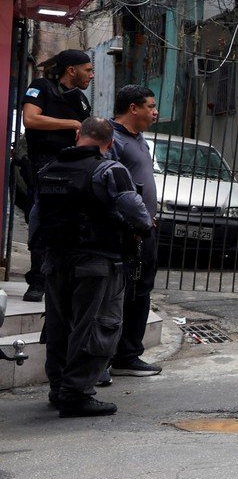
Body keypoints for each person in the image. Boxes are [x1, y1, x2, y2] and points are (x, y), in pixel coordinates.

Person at [34, 117, 152, 417]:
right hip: (96, 262)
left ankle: (59, 388)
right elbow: (135, 209)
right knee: (95, 325)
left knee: (60, 327)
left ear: (78, 136)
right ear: (110, 143)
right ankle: (76, 394)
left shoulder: (49, 170)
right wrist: (143, 226)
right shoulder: (109, 170)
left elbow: (35, 217)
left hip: (56, 260)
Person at [20, 50, 95, 302]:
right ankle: (38, 281)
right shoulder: (41, 87)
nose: (91, 75)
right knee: (41, 219)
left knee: (71, 222)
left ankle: (62, 277)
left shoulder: (81, 101)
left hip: (71, 168)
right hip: (43, 165)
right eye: (88, 69)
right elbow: (30, 119)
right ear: (71, 70)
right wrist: (72, 124)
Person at [109, 85, 163, 378]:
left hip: (145, 229)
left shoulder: (139, 139)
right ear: (133, 108)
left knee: (141, 291)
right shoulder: (112, 139)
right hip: (126, 232)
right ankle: (115, 354)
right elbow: (113, 187)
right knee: (122, 292)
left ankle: (128, 354)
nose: (155, 112)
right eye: (150, 106)